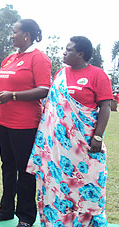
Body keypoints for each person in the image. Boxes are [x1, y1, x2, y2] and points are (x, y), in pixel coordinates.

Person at [26, 36, 113, 226]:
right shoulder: (60, 74)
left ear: (80, 54)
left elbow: (105, 106)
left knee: (88, 181)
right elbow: (52, 107)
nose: (64, 53)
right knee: (57, 184)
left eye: (69, 49)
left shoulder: (97, 74)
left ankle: (86, 220)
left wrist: (98, 136)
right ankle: (57, 220)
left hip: (83, 144)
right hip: (57, 147)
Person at [0, 19, 52, 227]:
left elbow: (44, 90)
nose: (11, 35)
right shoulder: (9, 59)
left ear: (27, 35)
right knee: (7, 166)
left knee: (25, 171)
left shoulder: (38, 58)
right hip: (2, 120)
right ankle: (6, 209)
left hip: (24, 124)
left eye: (15, 32)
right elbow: (3, 84)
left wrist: (12, 95)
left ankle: (25, 216)